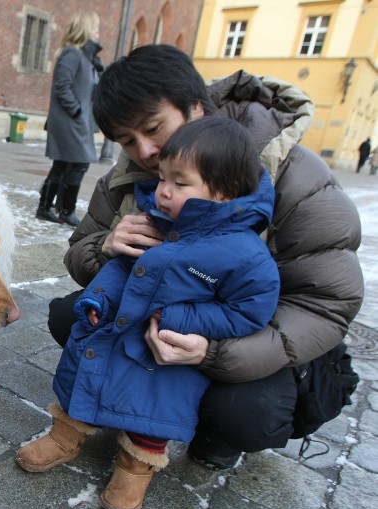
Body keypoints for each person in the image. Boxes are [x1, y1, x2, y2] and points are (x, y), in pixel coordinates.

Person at [40, 46, 362, 482]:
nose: (146, 151)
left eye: (153, 128)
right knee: (68, 315)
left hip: (247, 331)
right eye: (127, 140)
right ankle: (124, 403)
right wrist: (107, 245)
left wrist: (213, 353)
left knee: (247, 412)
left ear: (195, 106)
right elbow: (79, 250)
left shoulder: (294, 174)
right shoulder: (131, 173)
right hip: (161, 318)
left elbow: (326, 304)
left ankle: (216, 432)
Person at [17, 116, 280, 509]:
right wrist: (99, 299)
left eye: (180, 183)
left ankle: (134, 470)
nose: (163, 192)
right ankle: (64, 436)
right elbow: (122, 268)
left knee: (152, 416)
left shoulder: (244, 254)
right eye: (162, 180)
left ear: (224, 193)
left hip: (165, 353)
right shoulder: (156, 222)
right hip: (114, 331)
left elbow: (247, 311)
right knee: (80, 378)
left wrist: (182, 318)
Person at [35, 14, 102, 226]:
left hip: (78, 122)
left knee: (64, 165)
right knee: (77, 164)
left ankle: (48, 208)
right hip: (70, 122)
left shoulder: (85, 57)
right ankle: (63, 210)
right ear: (85, 29)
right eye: (95, 28)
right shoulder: (72, 54)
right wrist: (76, 112)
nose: (98, 32)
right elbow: (62, 87)